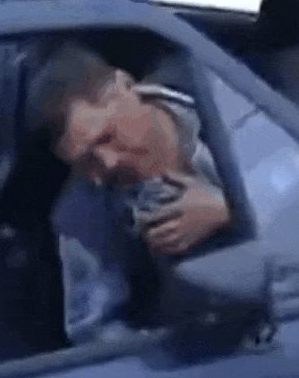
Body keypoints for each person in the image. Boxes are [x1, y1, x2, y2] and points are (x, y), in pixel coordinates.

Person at [28, 41, 234, 346]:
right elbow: (94, 332)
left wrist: (230, 209)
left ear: (124, 87)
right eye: (86, 162)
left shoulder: (226, 104)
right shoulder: (84, 211)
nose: (107, 165)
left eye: (105, 138)